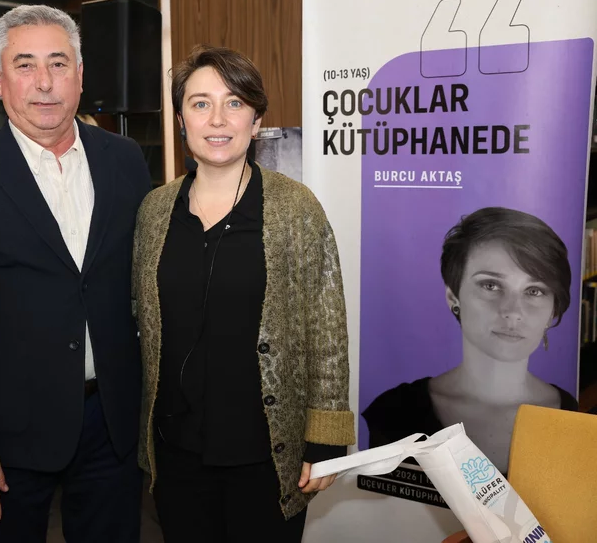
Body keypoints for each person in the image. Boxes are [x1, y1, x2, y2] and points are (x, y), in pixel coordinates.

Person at [0, 5, 152, 543]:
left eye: (58, 63)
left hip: (112, 424)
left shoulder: (125, 160)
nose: (44, 82)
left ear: (80, 74)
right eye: (25, 65)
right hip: (7, 438)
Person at [132, 45, 355, 543]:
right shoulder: (154, 211)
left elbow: (327, 331)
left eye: (234, 103)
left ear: (256, 121)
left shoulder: (296, 208)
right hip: (177, 453)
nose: (217, 119)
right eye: (200, 103)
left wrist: (326, 440)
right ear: (181, 120)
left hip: (266, 455)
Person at [363, 207, 579, 473]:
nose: (512, 311)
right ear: (453, 297)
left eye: (534, 291)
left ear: (553, 310)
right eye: (491, 285)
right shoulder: (395, 412)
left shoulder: (570, 416)